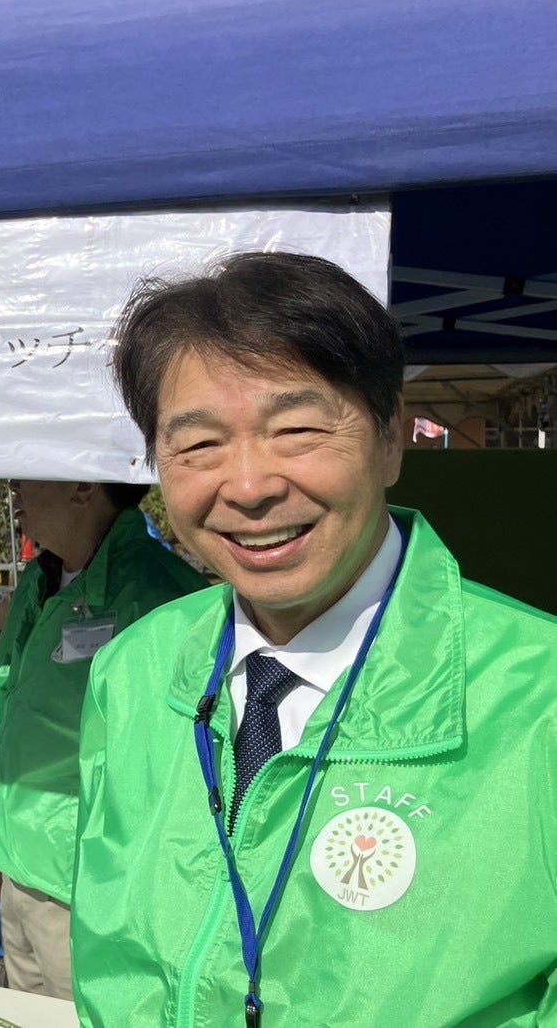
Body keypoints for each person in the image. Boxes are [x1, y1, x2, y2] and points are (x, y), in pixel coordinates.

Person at [70, 252, 557, 1025]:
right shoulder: (133, 669)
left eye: (295, 429)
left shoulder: (538, 695)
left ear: (390, 438)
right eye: (197, 445)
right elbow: (111, 952)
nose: (248, 486)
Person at [0, 479, 205, 1001]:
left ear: (84, 485)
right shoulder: (40, 576)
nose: (13, 486)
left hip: (85, 886)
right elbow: (7, 709)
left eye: (30, 471)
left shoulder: (161, 596)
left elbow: (179, 769)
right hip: (16, 860)